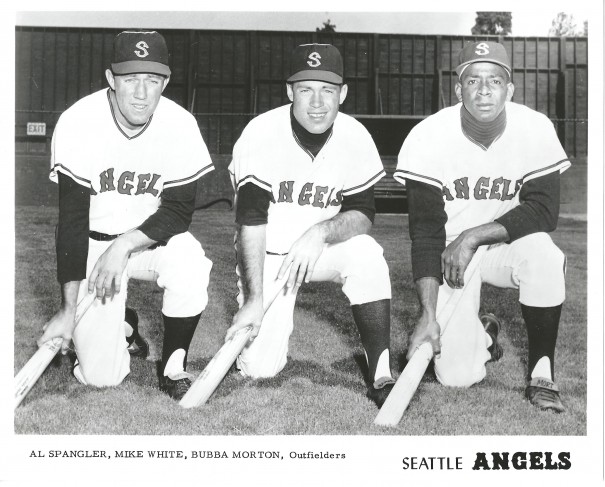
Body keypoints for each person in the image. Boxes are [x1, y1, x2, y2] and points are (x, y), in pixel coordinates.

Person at [394, 41, 570, 413]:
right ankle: (484, 334)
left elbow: (543, 211)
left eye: (495, 80)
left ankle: (542, 371)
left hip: (505, 244)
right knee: (456, 375)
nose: (485, 90)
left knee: (545, 257)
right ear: (458, 90)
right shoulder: (428, 136)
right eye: (473, 80)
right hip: (450, 258)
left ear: (510, 89)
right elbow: (425, 232)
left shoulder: (535, 128)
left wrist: (473, 236)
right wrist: (427, 314)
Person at [38, 31, 214, 401]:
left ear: (165, 82)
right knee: (102, 378)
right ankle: (125, 326)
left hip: (149, 241)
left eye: (152, 80)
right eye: (130, 79)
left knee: (191, 261)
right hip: (92, 244)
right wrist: (68, 309)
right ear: (110, 79)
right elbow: (71, 221)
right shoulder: (78, 121)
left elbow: (179, 213)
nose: (141, 92)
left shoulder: (180, 124)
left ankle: (173, 367)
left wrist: (125, 245)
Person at [226, 43, 395, 406]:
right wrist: (254, 299)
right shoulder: (261, 132)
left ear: (343, 94)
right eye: (306, 90)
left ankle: (381, 373)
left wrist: (319, 232)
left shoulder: (355, 136)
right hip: (268, 254)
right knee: (260, 369)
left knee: (367, 255)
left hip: (321, 249)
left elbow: (363, 214)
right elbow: (250, 222)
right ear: (290, 92)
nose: (317, 102)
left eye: (327, 90)